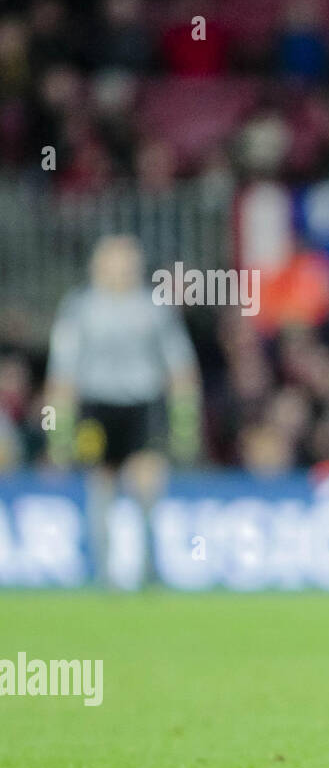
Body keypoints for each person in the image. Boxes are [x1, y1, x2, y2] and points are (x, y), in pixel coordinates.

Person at [45, 234, 201, 584]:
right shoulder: (80, 308)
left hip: (142, 405)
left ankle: (149, 568)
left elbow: (180, 369)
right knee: (102, 484)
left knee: (147, 485)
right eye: (113, 261)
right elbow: (63, 374)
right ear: (97, 266)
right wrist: (58, 434)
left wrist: (184, 424)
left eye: (127, 262)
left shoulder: (154, 308)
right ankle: (103, 572)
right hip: (97, 408)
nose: (120, 269)